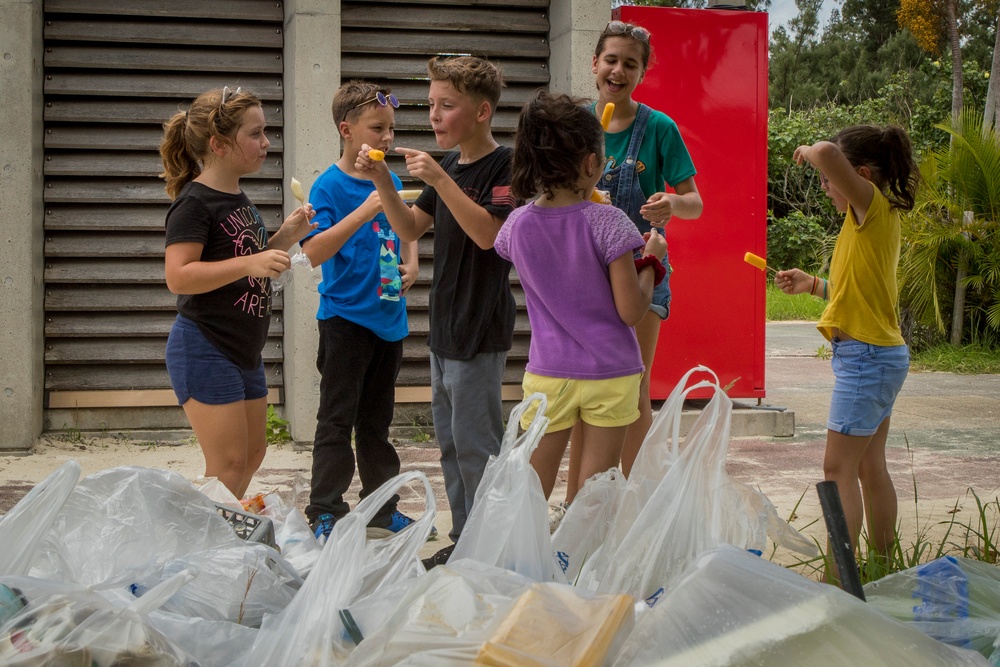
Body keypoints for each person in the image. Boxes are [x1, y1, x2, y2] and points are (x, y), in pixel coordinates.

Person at [359, 55, 516, 568]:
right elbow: (408, 228)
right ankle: (464, 540)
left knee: (478, 448)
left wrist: (442, 181)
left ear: (482, 112)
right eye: (430, 105)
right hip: (444, 326)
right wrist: (383, 176)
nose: (433, 116)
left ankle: (487, 548)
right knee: (450, 446)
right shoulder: (446, 166)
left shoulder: (506, 165)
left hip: (480, 327)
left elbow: (490, 236)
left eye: (446, 106)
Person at [494, 90, 667, 502]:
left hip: (547, 374)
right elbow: (630, 311)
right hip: (611, 373)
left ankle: (526, 561)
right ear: (591, 163)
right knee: (592, 496)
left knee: (531, 488)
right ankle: (580, 563)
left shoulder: (516, 225)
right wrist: (650, 263)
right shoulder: (609, 222)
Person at [564, 20, 704, 504]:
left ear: (642, 72)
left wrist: (670, 202)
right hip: (580, 275)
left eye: (630, 63)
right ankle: (578, 504)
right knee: (584, 391)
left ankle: (638, 502)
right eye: (611, 60)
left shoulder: (659, 128)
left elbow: (695, 202)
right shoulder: (576, 125)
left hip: (642, 267)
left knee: (633, 387)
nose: (618, 70)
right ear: (594, 64)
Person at [160, 86, 317, 499]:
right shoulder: (193, 203)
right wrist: (250, 263)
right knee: (228, 463)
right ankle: (202, 551)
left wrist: (286, 235)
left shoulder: (237, 197)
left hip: (243, 350)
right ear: (218, 144)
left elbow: (250, 259)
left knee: (252, 454)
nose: (266, 143)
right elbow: (179, 276)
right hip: (204, 346)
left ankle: (223, 540)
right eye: (255, 133)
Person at [775, 124, 918, 570]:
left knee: (837, 470)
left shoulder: (871, 206)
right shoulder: (869, 221)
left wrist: (811, 149)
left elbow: (825, 154)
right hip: (880, 354)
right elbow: (858, 292)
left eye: (827, 180)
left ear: (861, 175)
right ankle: (880, 565)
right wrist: (813, 285)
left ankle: (842, 576)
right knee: (869, 468)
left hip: (867, 359)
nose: (824, 187)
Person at [299, 81, 423, 543]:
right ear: (347, 130)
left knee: (377, 424)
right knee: (336, 420)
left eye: (391, 129)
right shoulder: (328, 185)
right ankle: (325, 510)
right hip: (345, 320)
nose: (388, 139)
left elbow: (405, 222)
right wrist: (365, 207)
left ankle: (380, 508)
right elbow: (313, 251)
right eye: (378, 129)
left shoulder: (387, 178)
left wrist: (411, 260)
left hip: (389, 318)